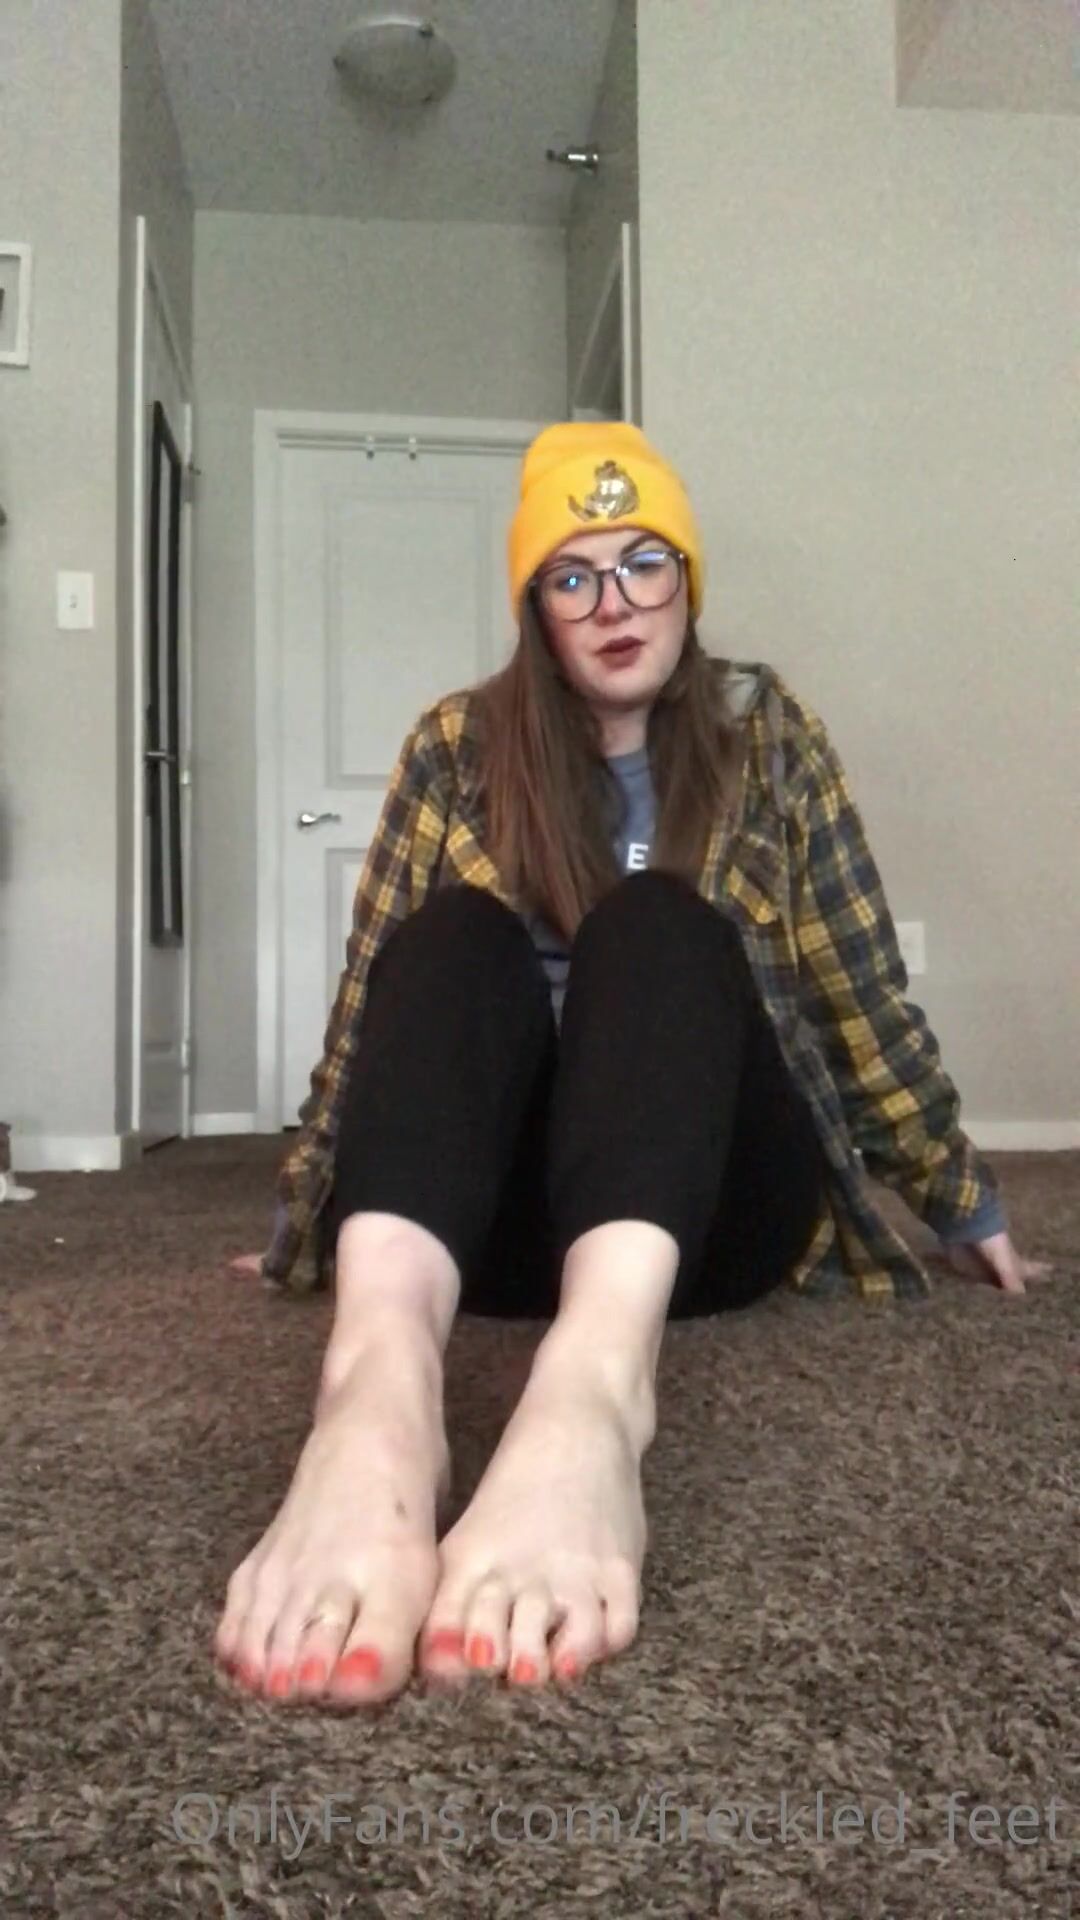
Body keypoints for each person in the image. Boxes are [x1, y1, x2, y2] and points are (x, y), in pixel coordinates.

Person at [215, 422, 1049, 1708]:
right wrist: (304, 1211)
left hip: (704, 1214)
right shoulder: (456, 745)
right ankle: (374, 1400)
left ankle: (595, 1400)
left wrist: (960, 1197)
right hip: (500, 1220)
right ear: (536, 608)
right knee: (448, 937)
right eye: (573, 574)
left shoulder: (768, 735)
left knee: (656, 924)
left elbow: (859, 987)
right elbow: (375, 1011)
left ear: (687, 579)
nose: (614, 603)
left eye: (644, 562)